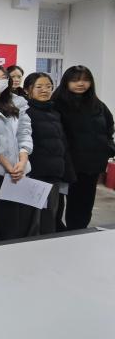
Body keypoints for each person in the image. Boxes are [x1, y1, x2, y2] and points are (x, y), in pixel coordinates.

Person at [52, 65, 115, 230]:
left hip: (91, 165)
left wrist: (108, 147)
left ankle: (78, 233)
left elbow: (109, 126)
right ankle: (58, 234)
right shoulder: (57, 103)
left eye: (85, 80)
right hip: (65, 164)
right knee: (56, 205)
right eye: (75, 80)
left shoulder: (97, 104)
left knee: (83, 205)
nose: (81, 83)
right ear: (66, 82)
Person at [0, 66, 35, 242]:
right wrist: (7, 165)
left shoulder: (18, 102)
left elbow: (24, 132)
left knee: (14, 221)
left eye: (3, 77)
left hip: (17, 170)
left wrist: (23, 160)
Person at [24, 72, 76, 234]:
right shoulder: (25, 112)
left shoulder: (55, 113)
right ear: (28, 90)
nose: (45, 90)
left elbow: (62, 143)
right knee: (33, 218)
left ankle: (47, 245)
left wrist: (67, 171)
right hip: (34, 174)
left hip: (53, 174)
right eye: (39, 87)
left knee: (50, 215)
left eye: (48, 86)